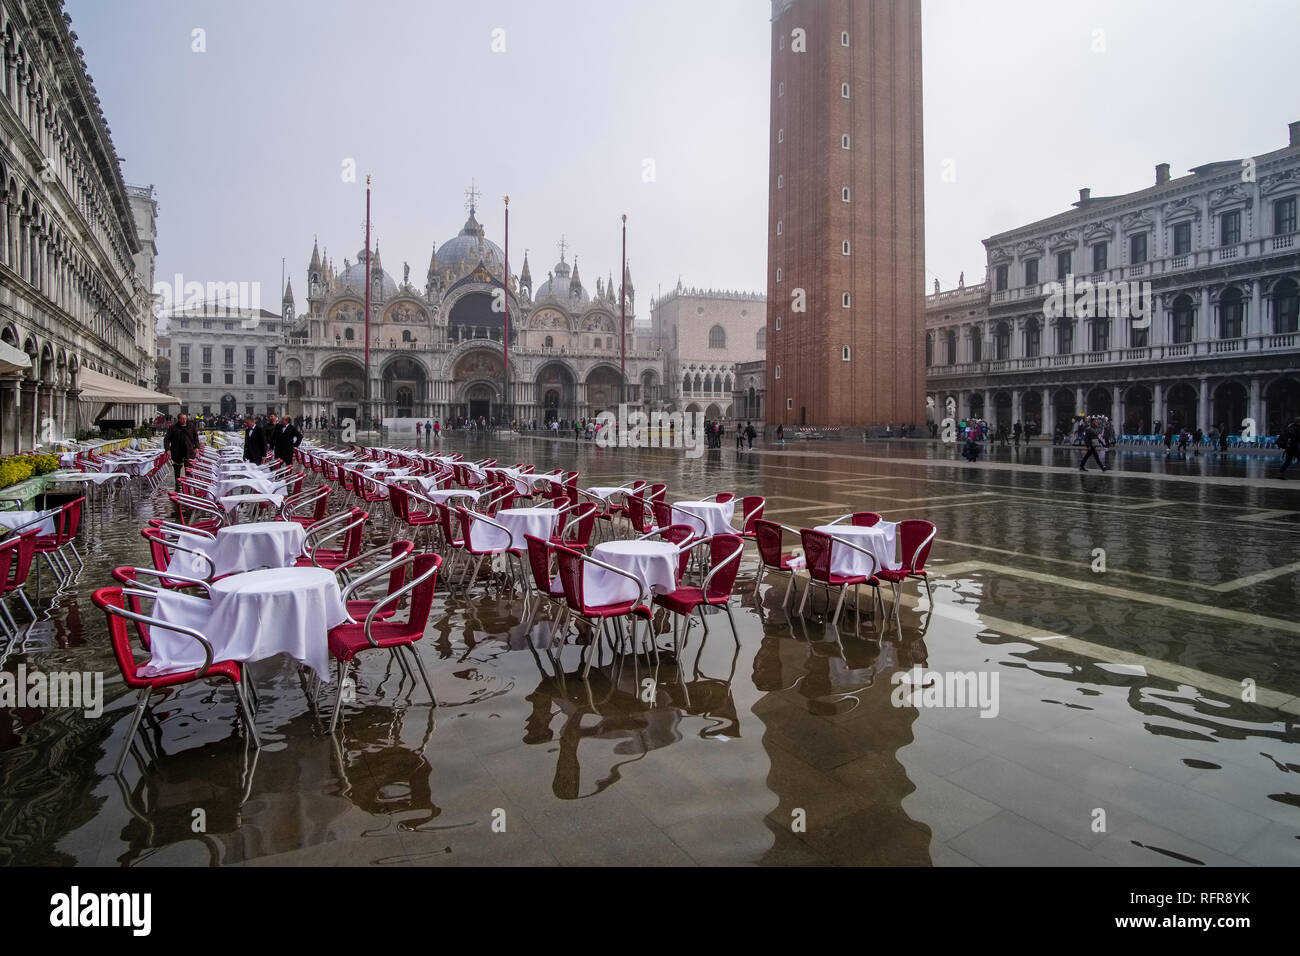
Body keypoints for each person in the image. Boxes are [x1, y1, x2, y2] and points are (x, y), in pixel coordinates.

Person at [163, 413, 195, 486]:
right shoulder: (173, 428)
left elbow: (196, 437)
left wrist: (196, 447)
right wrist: (167, 449)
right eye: (182, 419)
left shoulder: (191, 427)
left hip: (188, 450)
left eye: (185, 419)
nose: (184, 420)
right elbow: (166, 439)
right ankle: (177, 483)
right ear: (179, 419)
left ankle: (188, 484)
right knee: (177, 468)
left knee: (188, 468)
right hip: (177, 451)